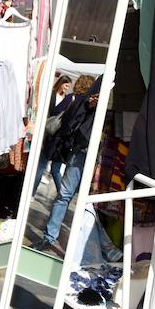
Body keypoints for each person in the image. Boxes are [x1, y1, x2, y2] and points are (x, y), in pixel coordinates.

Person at [35, 75, 101, 253]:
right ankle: (50, 237)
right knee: (66, 195)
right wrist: (88, 104)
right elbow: (70, 122)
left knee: (87, 200)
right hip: (82, 150)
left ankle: (76, 244)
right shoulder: (85, 99)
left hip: (95, 152)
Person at [32, 74, 75, 195]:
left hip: (53, 132)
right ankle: (33, 191)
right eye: (66, 85)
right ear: (61, 83)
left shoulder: (67, 98)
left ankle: (33, 192)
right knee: (42, 165)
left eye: (68, 87)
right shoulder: (51, 94)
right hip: (43, 128)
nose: (67, 88)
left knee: (43, 164)